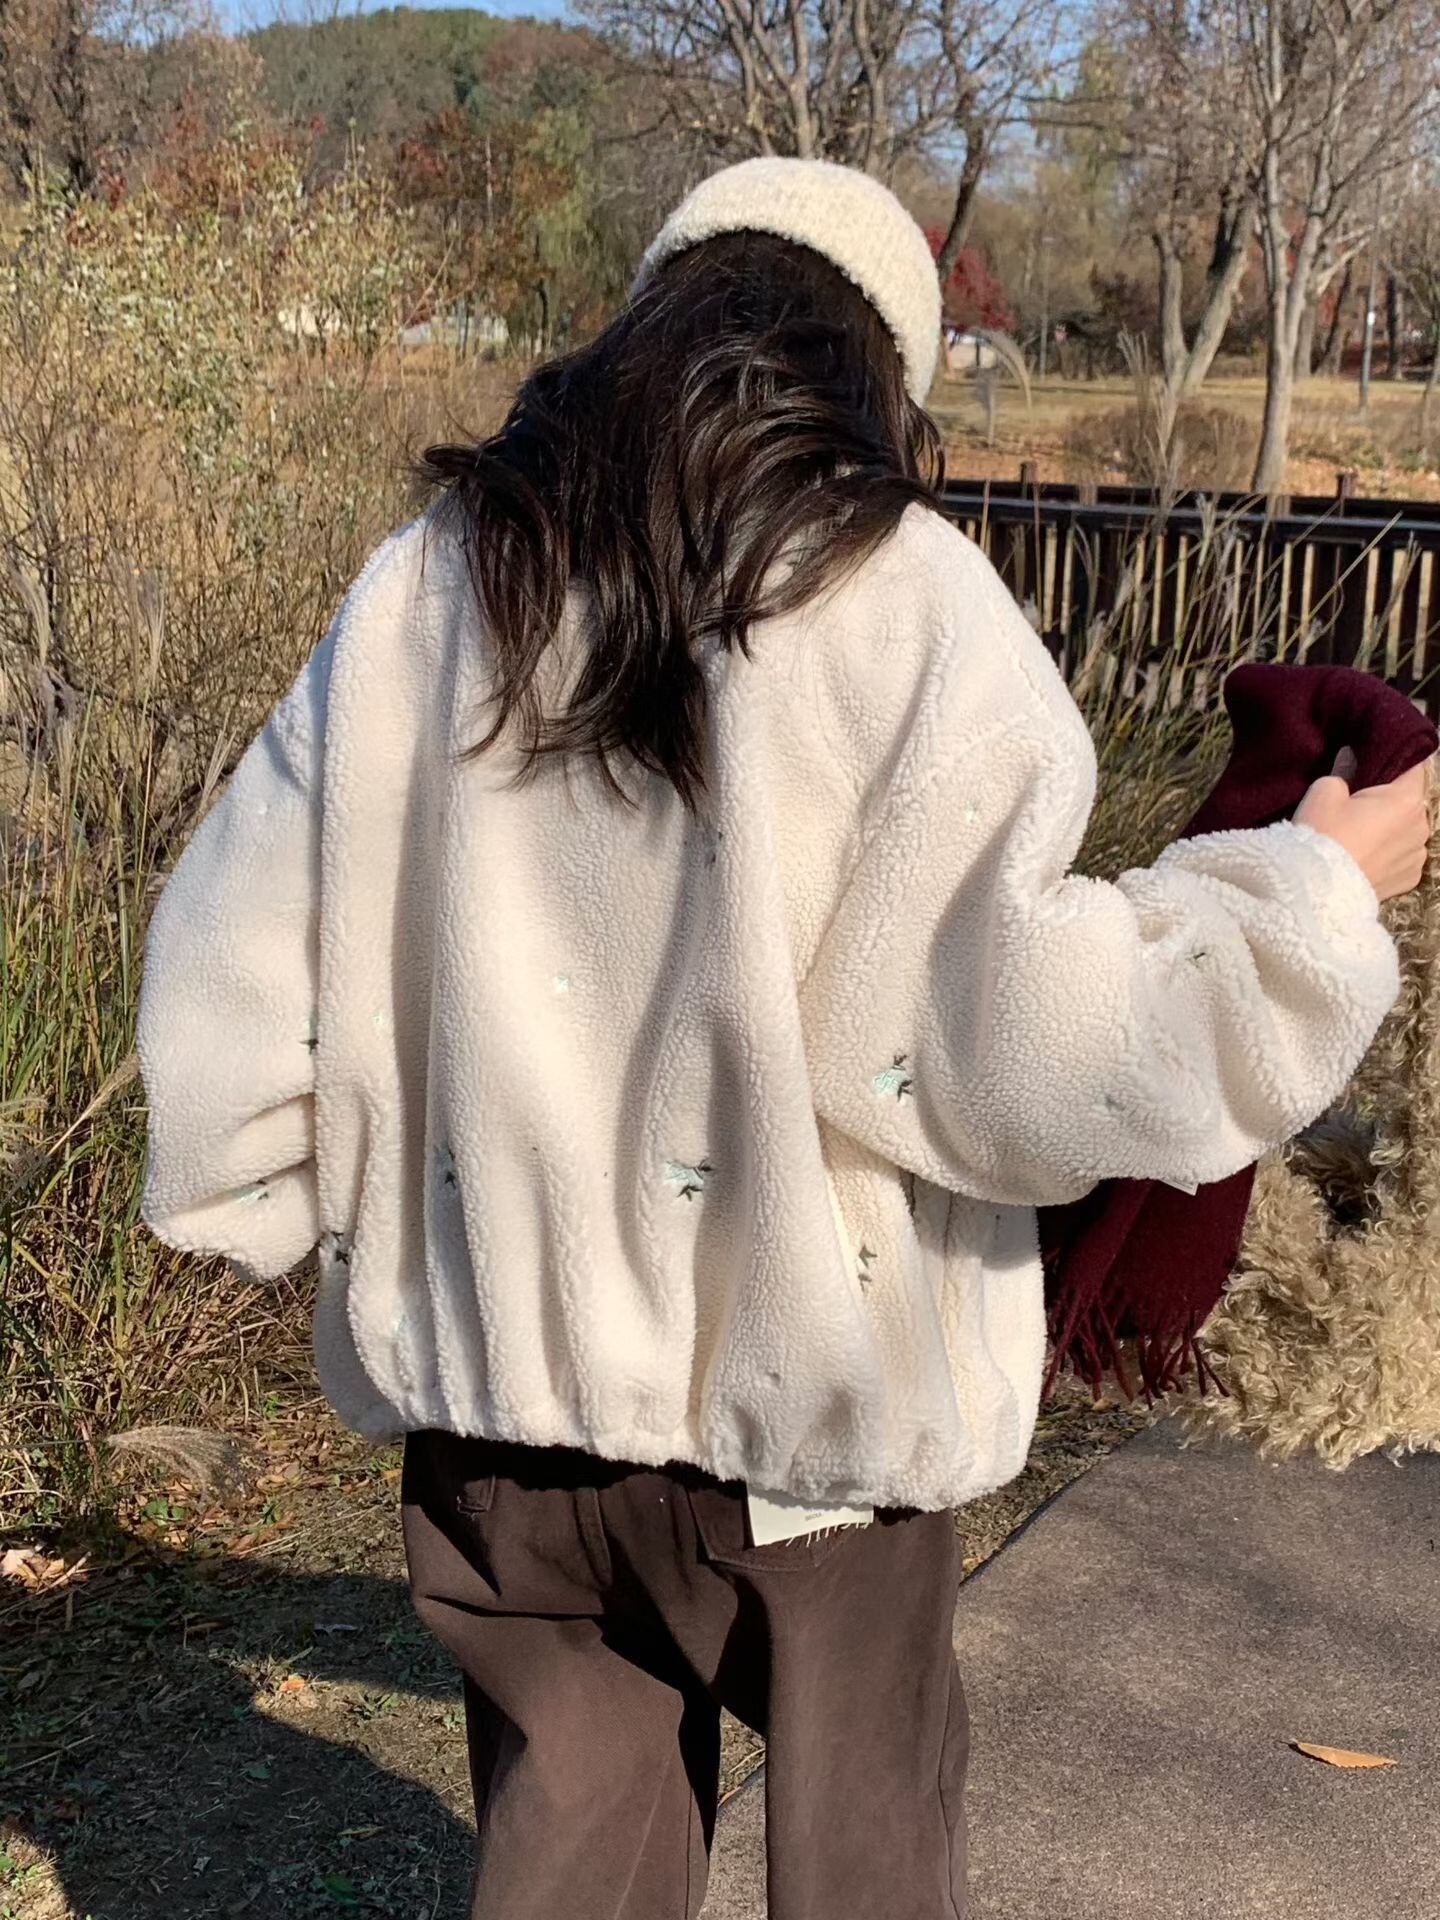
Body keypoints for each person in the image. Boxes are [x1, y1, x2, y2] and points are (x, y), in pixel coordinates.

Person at [134, 158, 1430, 1920]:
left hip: (500, 1411)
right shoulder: (903, 596)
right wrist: (1307, 901)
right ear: (877, 373)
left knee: (567, 1860)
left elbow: (234, 958)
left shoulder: (431, 587)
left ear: (648, 318)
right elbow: (1007, 1040)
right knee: (866, 1857)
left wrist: (265, 1197)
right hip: (819, 1427)